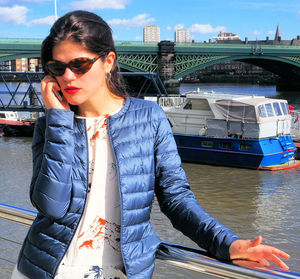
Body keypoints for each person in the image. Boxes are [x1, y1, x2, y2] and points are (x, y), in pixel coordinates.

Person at [11, 10, 290, 279]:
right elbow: (50, 207)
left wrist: (227, 243)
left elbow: (176, 199)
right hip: (43, 270)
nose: (68, 76)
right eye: (57, 68)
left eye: (80, 65)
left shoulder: (149, 119)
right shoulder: (51, 124)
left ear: (108, 61)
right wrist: (58, 118)